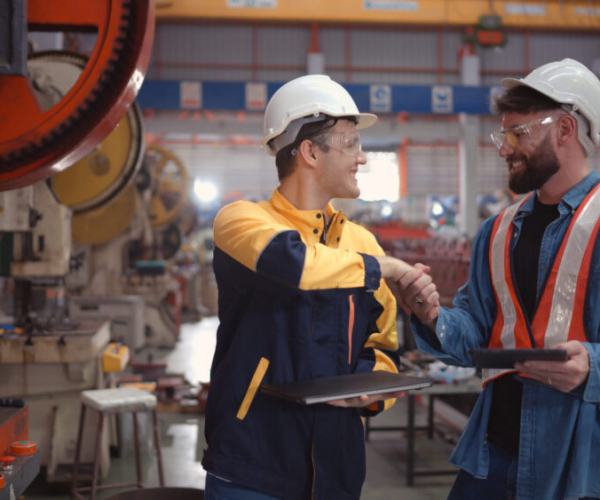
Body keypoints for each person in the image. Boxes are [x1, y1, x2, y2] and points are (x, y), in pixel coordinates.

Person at [201, 74, 436, 500]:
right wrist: (386, 267)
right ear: (309, 151)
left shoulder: (362, 245)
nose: (362, 157)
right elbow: (296, 265)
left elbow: (382, 347)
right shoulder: (240, 221)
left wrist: (369, 394)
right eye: (350, 143)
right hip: (252, 465)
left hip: (337, 469)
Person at [397, 58, 600, 500]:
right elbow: (479, 332)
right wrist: (431, 314)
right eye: (502, 136)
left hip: (580, 468)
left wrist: (592, 366)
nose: (504, 149)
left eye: (518, 134)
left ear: (565, 129)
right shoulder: (499, 231)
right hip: (494, 456)